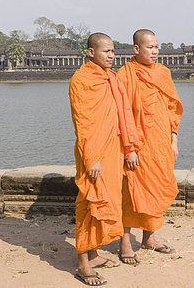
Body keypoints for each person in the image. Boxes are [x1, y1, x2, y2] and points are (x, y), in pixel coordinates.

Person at [69, 33, 141, 286]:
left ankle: (94, 254)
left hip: (113, 150)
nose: (111, 56)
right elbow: (84, 123)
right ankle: (82, 264)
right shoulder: (82, 80)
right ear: (91, 52)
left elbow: (124, 116)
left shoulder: (112, 78)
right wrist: (92, 159)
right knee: (90, 204)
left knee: (108, 201)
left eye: (113, 51)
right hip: (94, 152)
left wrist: (129, 148)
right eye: (106, 51)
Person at [116, 29, 183, 264]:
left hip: (161, 143)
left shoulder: (163, 73)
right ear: (137, 49)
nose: (155, 51)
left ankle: (149, 238)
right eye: (150, 47)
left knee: (156, 188)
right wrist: (129, 148)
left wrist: (174, 138)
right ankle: (125, 241)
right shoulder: (125, 75)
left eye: (157, 47)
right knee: (131, 192)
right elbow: (121, 115)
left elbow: (172, 108)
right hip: (138, 145)